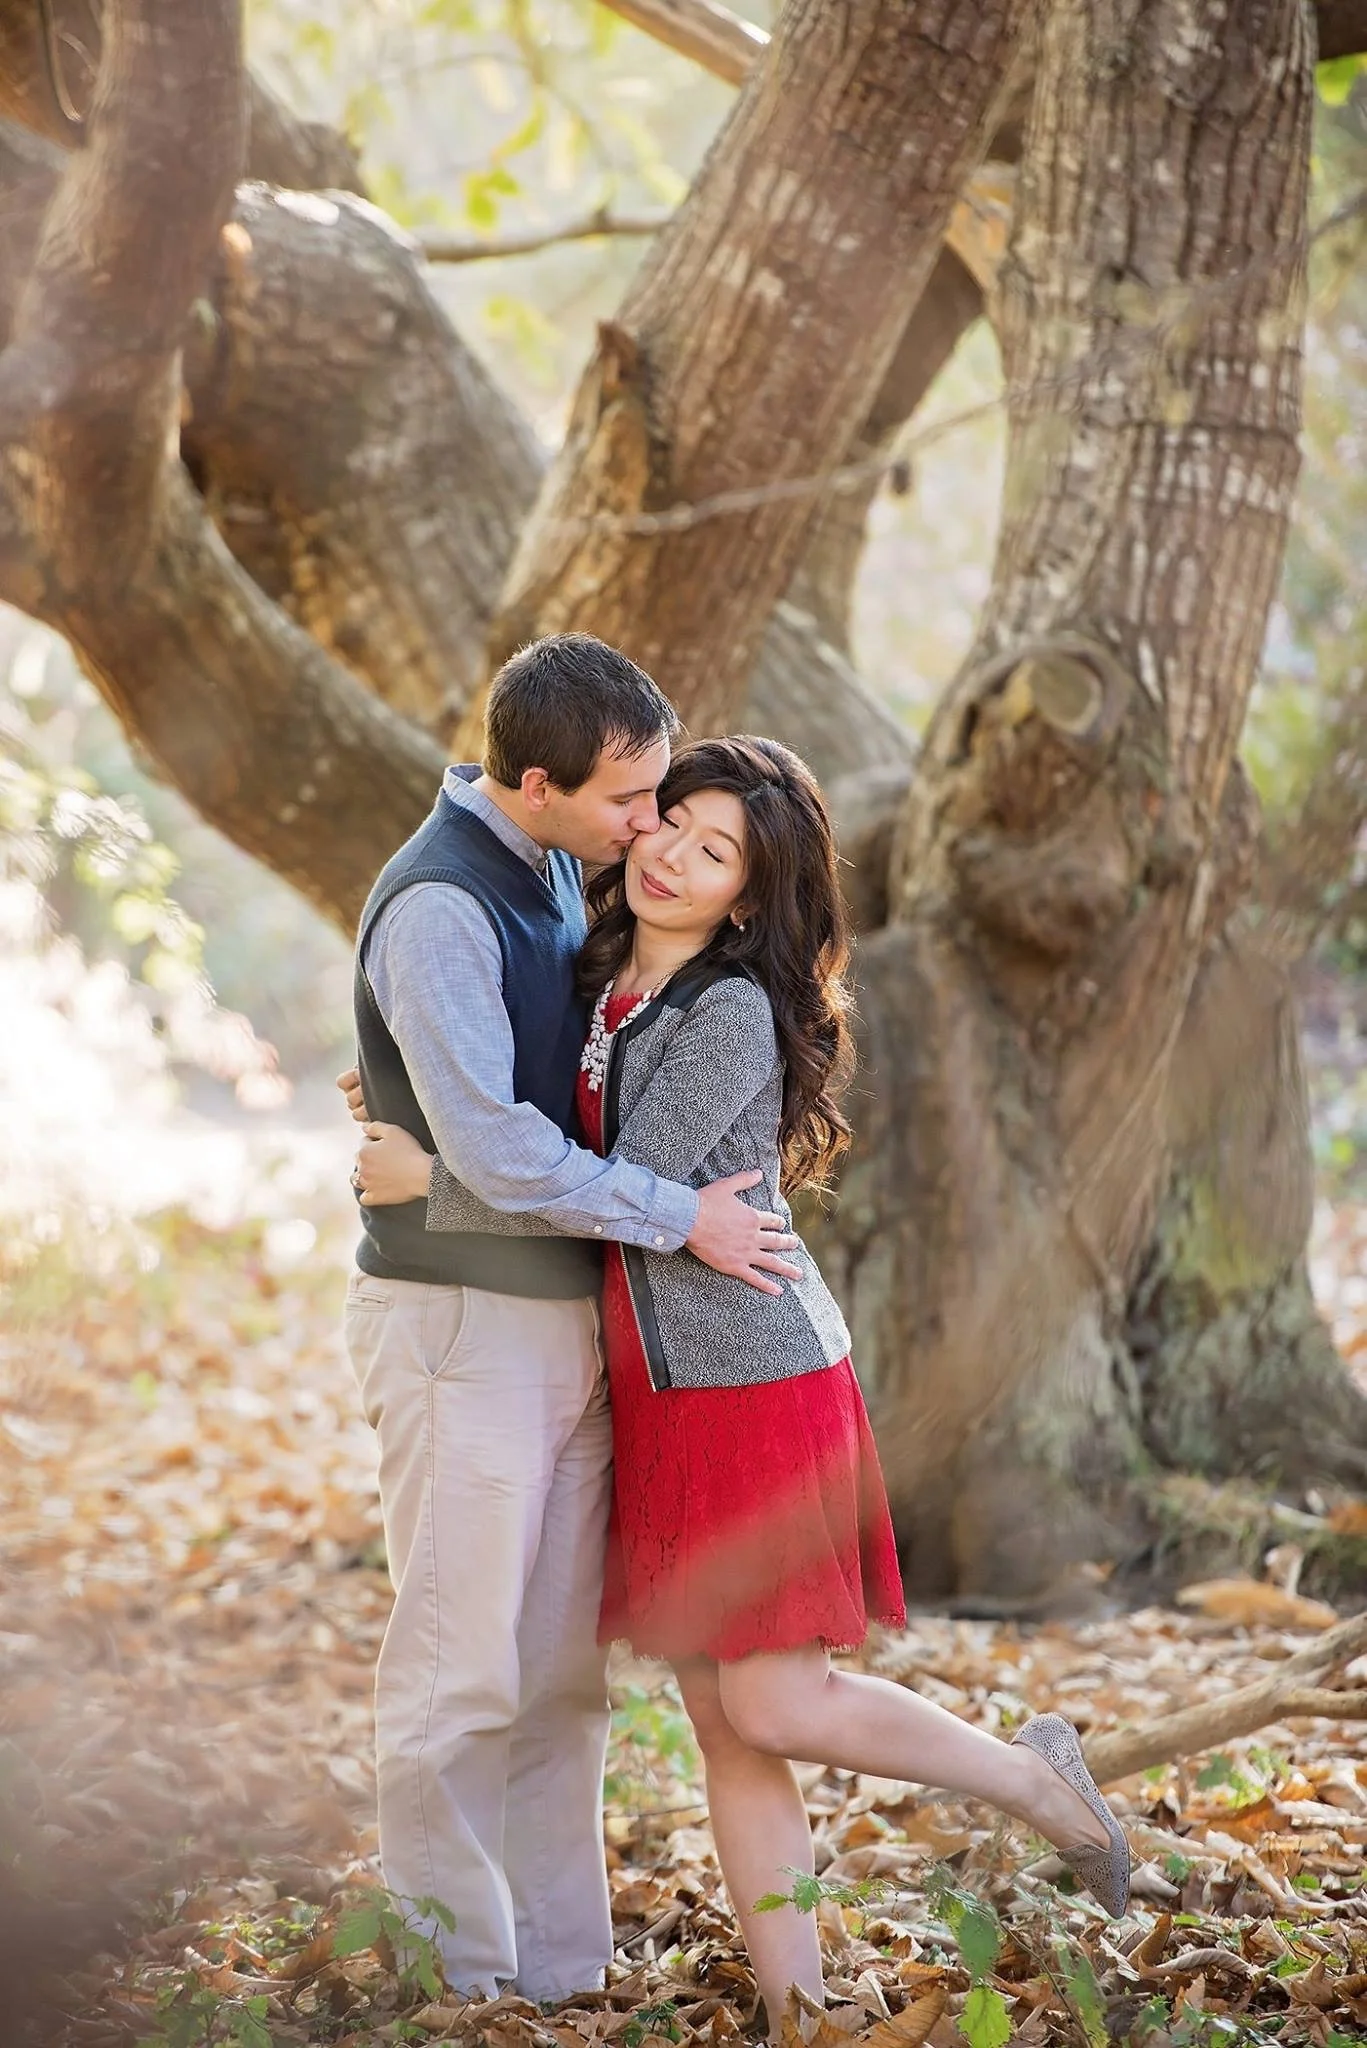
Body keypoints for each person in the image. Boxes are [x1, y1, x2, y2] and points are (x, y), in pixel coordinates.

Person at [350, 734, 1132, 2032]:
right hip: (660, 1395)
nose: (668, 854)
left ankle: (1034, 1782)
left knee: (770, 1695)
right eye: (668, 825)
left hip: (751, 1388)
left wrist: (433, 1178)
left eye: (714, 853)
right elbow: (528, 1115)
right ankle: (803, 2008)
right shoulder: (596, 969)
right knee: (731, 1728)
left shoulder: (722, 1013)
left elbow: (610, 1200)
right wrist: (432, 1101)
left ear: (749, 900)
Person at [342, 639, 804, 2007]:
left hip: (563, 1324)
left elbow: (521, 1109)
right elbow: (498, 1150)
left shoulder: (553, 866)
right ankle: (461, 1983)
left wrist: (433, 1157)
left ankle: (559, 1972)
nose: (648, 828)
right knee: (455, 1674)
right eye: (627, 802)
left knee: (556, 1679)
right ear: (533, 783)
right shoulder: (439, 905)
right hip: (458, 1329)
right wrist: (680, 1214)